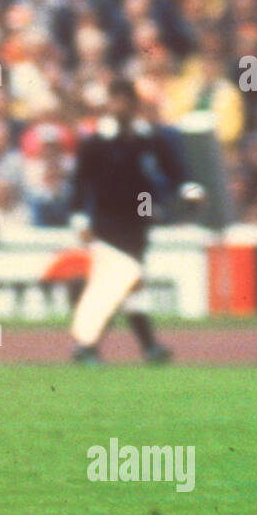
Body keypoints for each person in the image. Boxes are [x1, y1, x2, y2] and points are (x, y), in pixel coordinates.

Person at [67, 78, 203, 364]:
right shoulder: (96, 142)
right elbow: (80, 182)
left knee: (125, 284)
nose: (119, 106)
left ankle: (96, 347)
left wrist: (190, 190)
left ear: (132, 104)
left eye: (124, 100)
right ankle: (139, 346)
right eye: (114, 100)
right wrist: (79, 218)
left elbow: (177, 172)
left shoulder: (150, 140)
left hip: (137, 220)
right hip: (105, 222)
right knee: (119, 282)